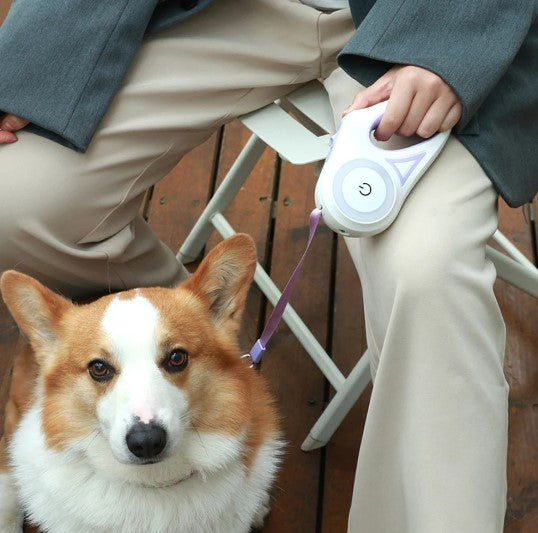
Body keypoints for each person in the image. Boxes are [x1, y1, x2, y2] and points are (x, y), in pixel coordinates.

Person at [0, 1, 536, 531]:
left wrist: (444, 45)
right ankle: (185, 337)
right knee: (10, 200)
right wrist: (21, 69)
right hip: (238, 9)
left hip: (429, 20)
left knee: (427, 269)